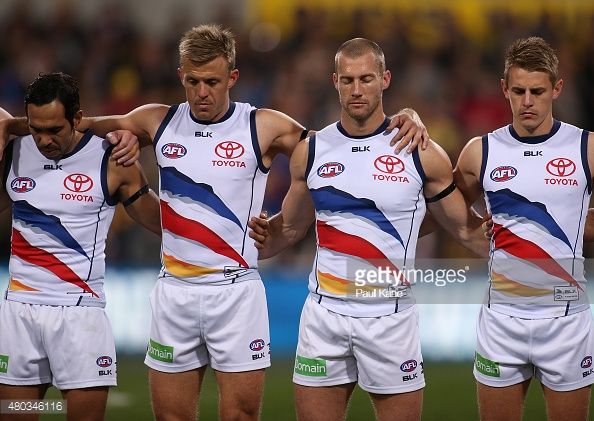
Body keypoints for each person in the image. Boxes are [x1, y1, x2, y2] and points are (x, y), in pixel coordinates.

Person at [0, 24, 429, 421]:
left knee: (239, 416)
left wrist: (405, 116)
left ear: (233, 78)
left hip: (236, 291)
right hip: (175, 291)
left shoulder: (264, 126)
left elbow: (339, 148)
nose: (202, 93)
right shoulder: (157, 120)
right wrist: (9, 127)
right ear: (181, 75)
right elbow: (76, 126)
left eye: (212, 82)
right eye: (192, 82)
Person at [248, 38, 488, 421]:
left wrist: (529, 266)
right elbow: (289, 229)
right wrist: (259, 233)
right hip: (324, 316)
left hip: (389, 317)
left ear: (385, 79)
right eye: (347, 80)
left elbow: (464, 228)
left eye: (366, 79)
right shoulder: (311, 150)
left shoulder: (420, 151)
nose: (357, 90)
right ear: (334, 82)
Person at [0, 73, 160, 421]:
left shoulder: (112, 159)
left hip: (79, 314)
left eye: (55, 130)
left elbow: (160, 222)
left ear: (77, 119)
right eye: (35, 128)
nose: (43, 139)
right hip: (19, 313)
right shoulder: (13, 152)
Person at [454, 36, 594, 421]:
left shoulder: (586, 147)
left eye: (537, 91)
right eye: (518, 91)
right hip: (502, 319)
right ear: (505, 89)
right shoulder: (480, 152)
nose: (527, 101)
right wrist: (474, 230)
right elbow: (441, 210)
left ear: (557, 88)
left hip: (565, 320)